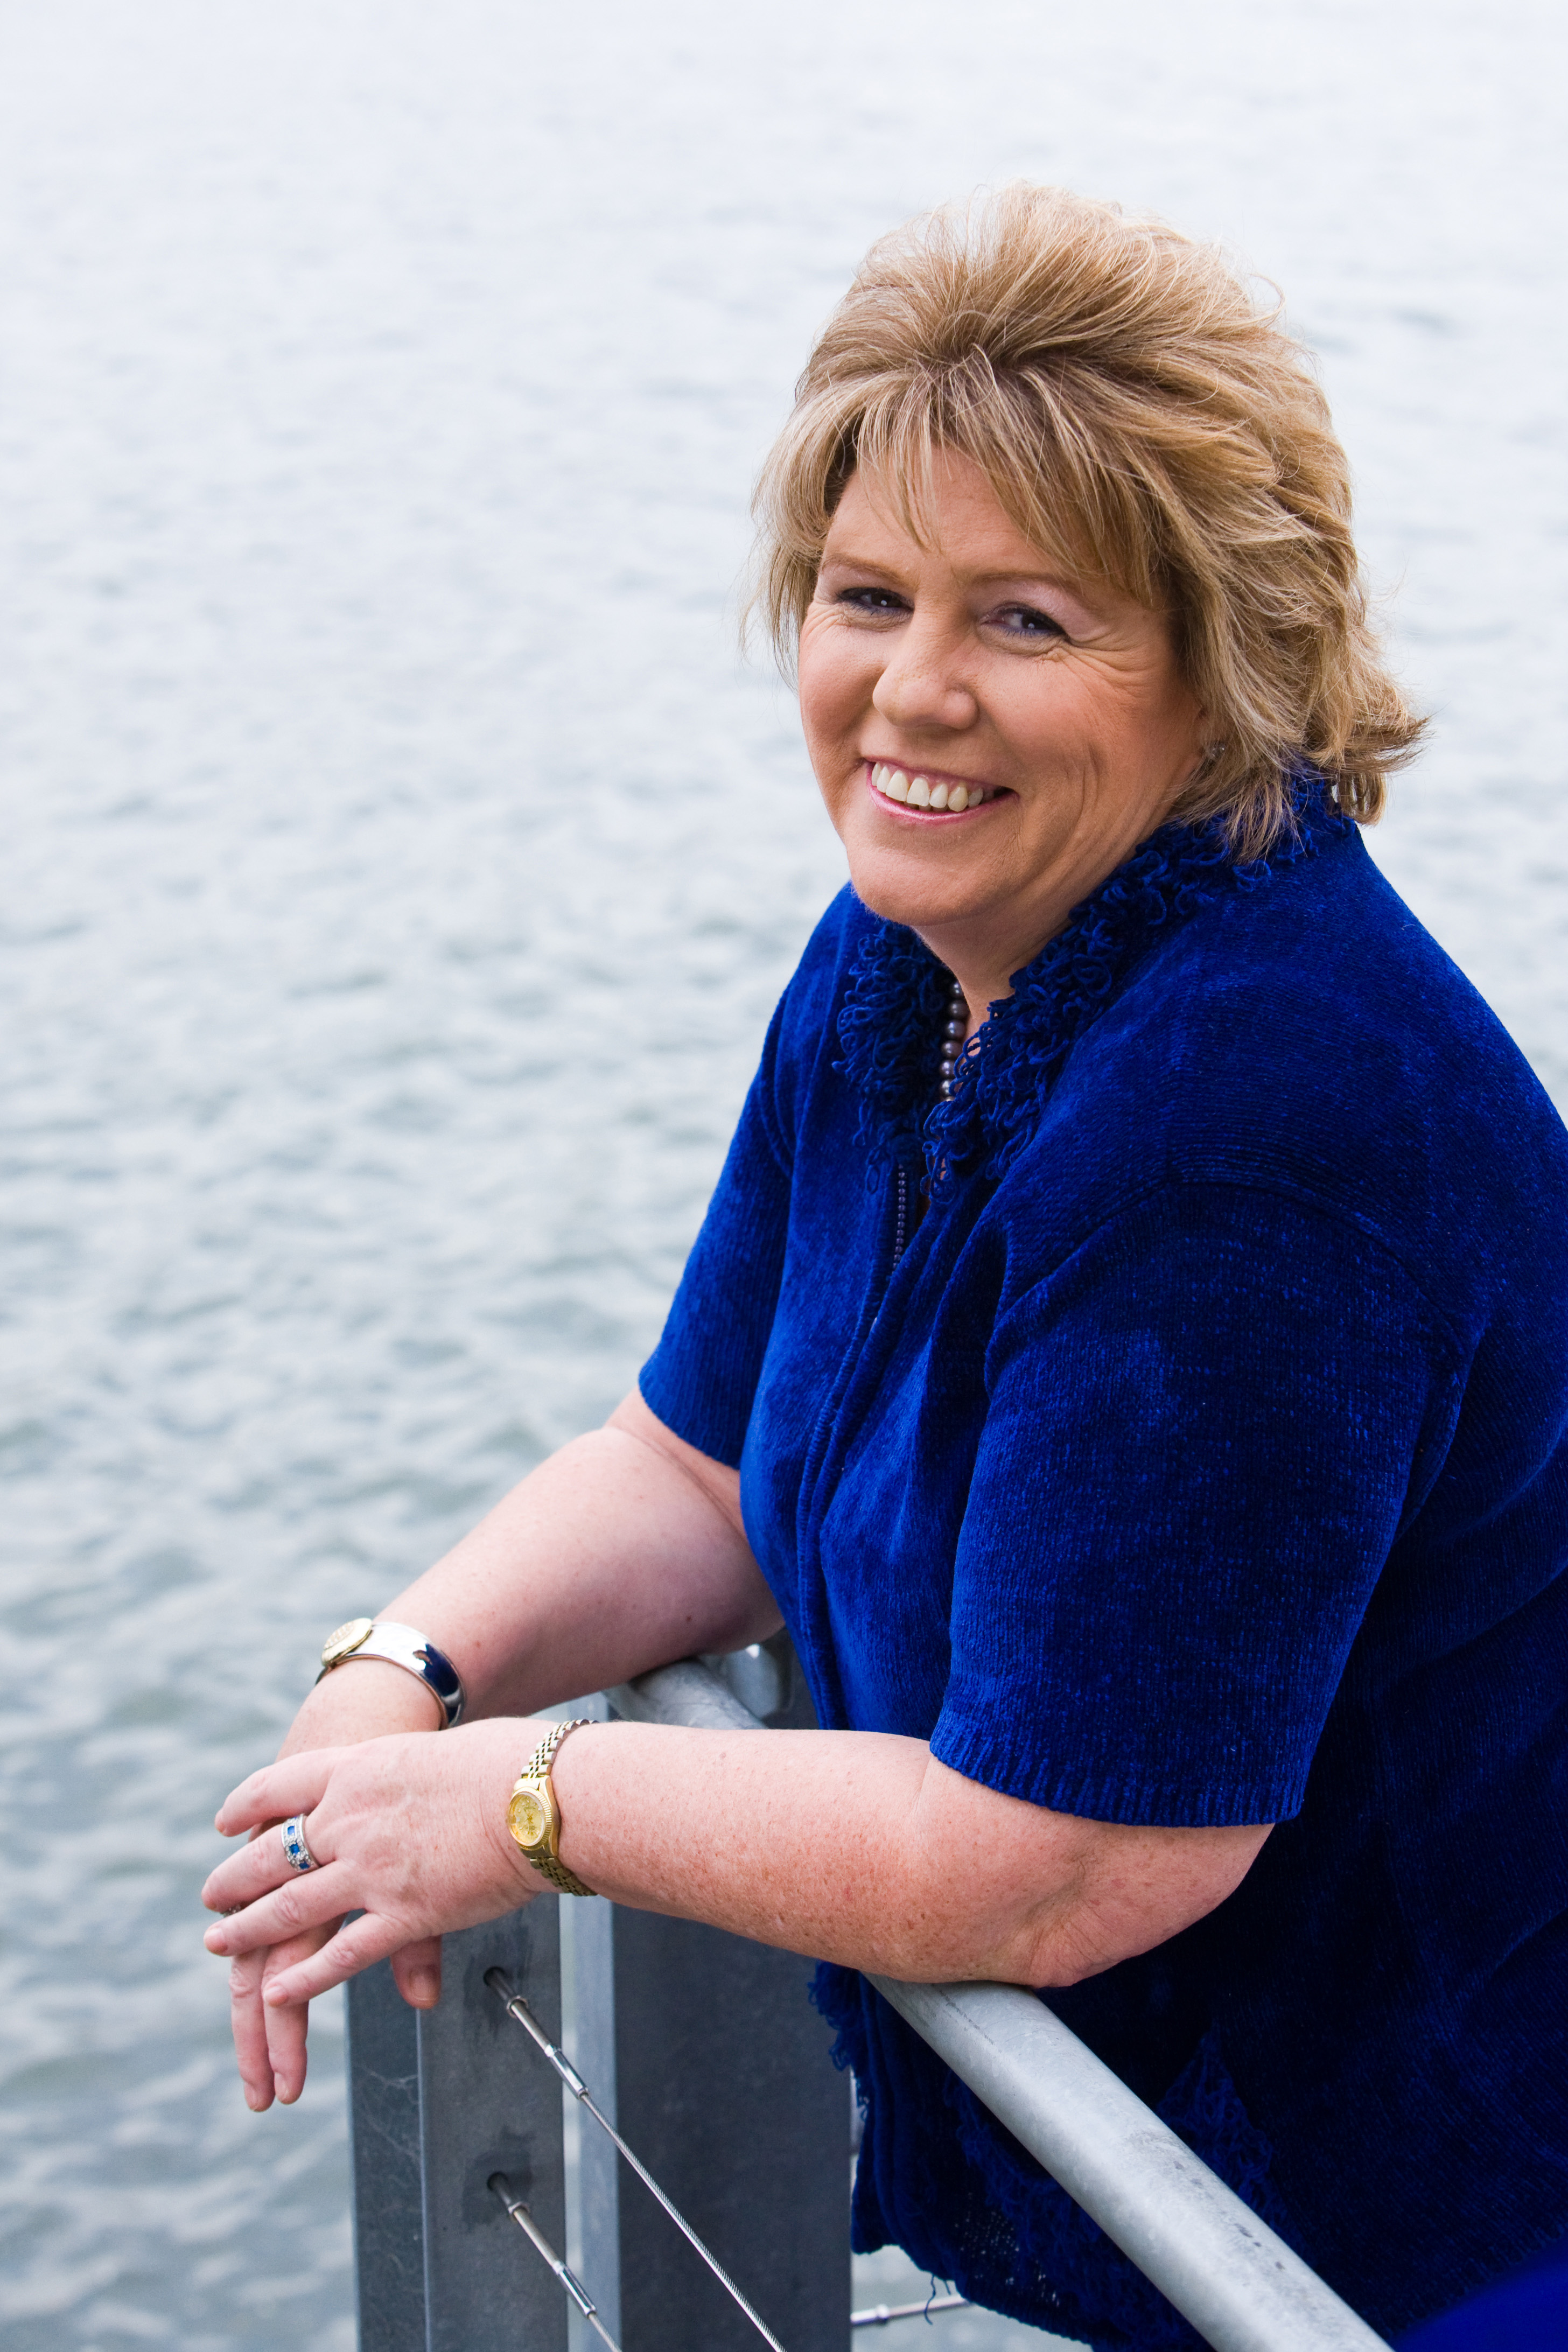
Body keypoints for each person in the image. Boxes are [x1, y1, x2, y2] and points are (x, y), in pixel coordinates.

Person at [201, 186, 1568, 2349]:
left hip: (1438, 2249)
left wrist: (529, 1805)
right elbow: (694, 1465)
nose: (911, 691)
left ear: (1222, 668)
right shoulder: (912, 964)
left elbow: (1066, 1856)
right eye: (866, 596)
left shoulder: (1259, 1129)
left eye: (1025, 619)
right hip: (1171, 2211)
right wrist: (405, 1677)